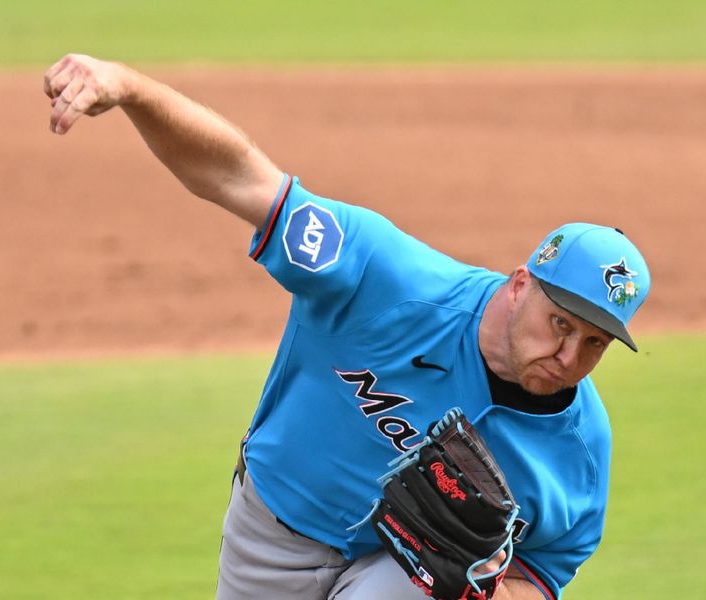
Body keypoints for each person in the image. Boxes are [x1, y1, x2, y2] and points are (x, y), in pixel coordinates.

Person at [44, 54, 651, 600]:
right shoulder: (385, 277)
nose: (569, 355)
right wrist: (129, 88)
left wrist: (487, 595)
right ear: (521, 284)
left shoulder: (581, 449)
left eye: (594, 342)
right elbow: (243, 179)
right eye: (559, 324)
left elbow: (548, 569)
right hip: (273, 532)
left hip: (396, 577)